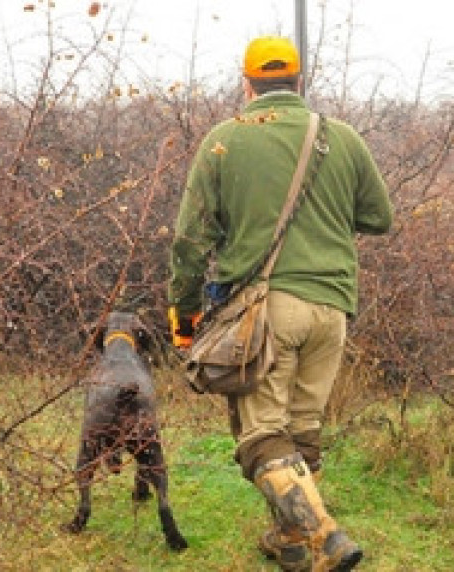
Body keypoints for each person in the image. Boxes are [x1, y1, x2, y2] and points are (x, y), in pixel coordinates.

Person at [167, 36, 393, 571]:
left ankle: (324, 536)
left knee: (262, 433)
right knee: (302, 428)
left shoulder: (224, 141)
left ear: (246, 85)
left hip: (267, 309)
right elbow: (379, 218)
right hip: (332, 308)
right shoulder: (342, 138)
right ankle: (290, 542)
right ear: (298, 82)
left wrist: (185, 313)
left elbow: (190, 240)